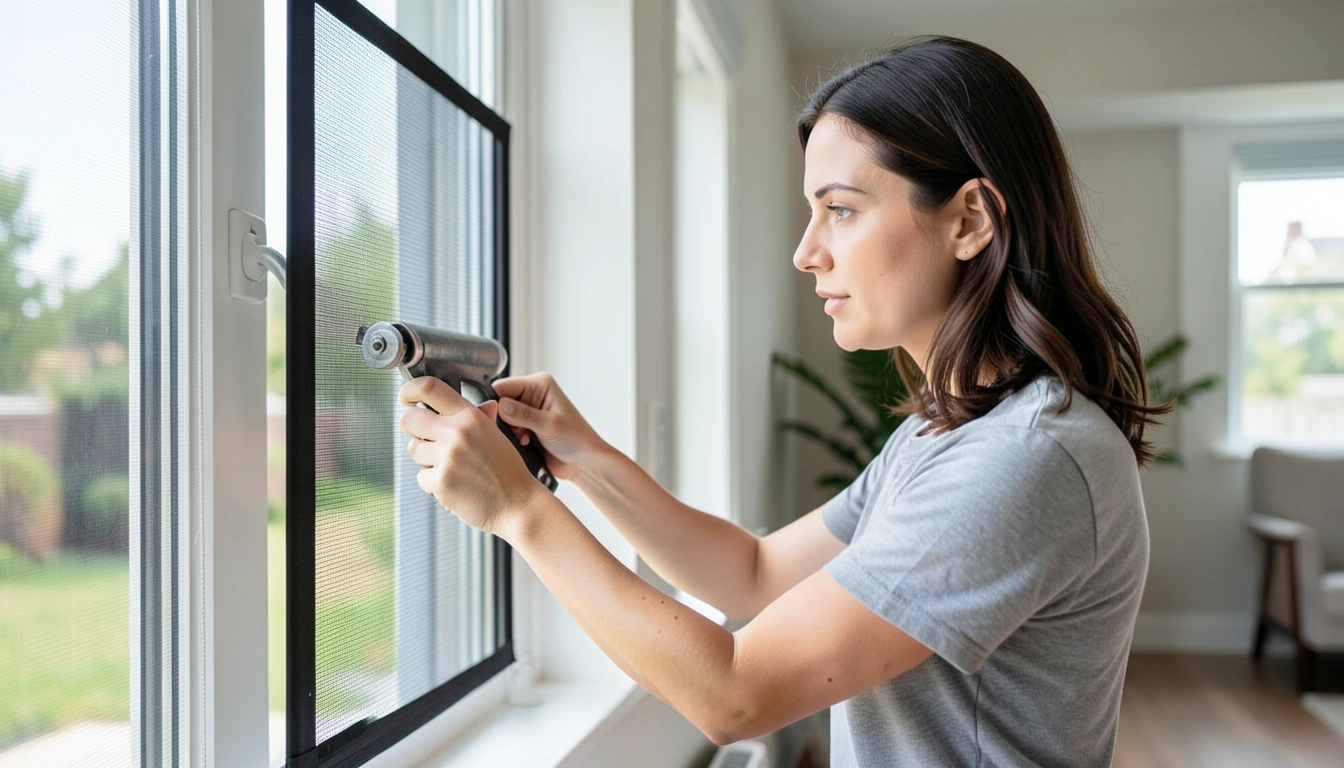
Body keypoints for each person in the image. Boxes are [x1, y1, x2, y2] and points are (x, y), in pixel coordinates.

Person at [396, 35, 1166, 768]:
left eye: (840, 209)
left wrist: (517, 512)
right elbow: (754, 574)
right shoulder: (953, 433)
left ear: (970, 220)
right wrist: (587, 458)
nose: (806, 252)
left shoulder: (1022, 458)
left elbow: (735, 695)